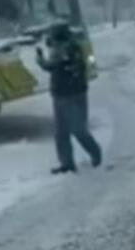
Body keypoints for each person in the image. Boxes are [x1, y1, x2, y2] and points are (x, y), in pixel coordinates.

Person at [36, 22, 102, 174]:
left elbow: (51, 66)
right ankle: (67, 163)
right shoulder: (64, 48)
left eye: (51, 35)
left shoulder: (68, 48)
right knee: (61, 133)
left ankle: (95, 153)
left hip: (72, 95)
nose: (49, 39)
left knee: (78, 129)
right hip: (61, 94)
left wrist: (40, 59)